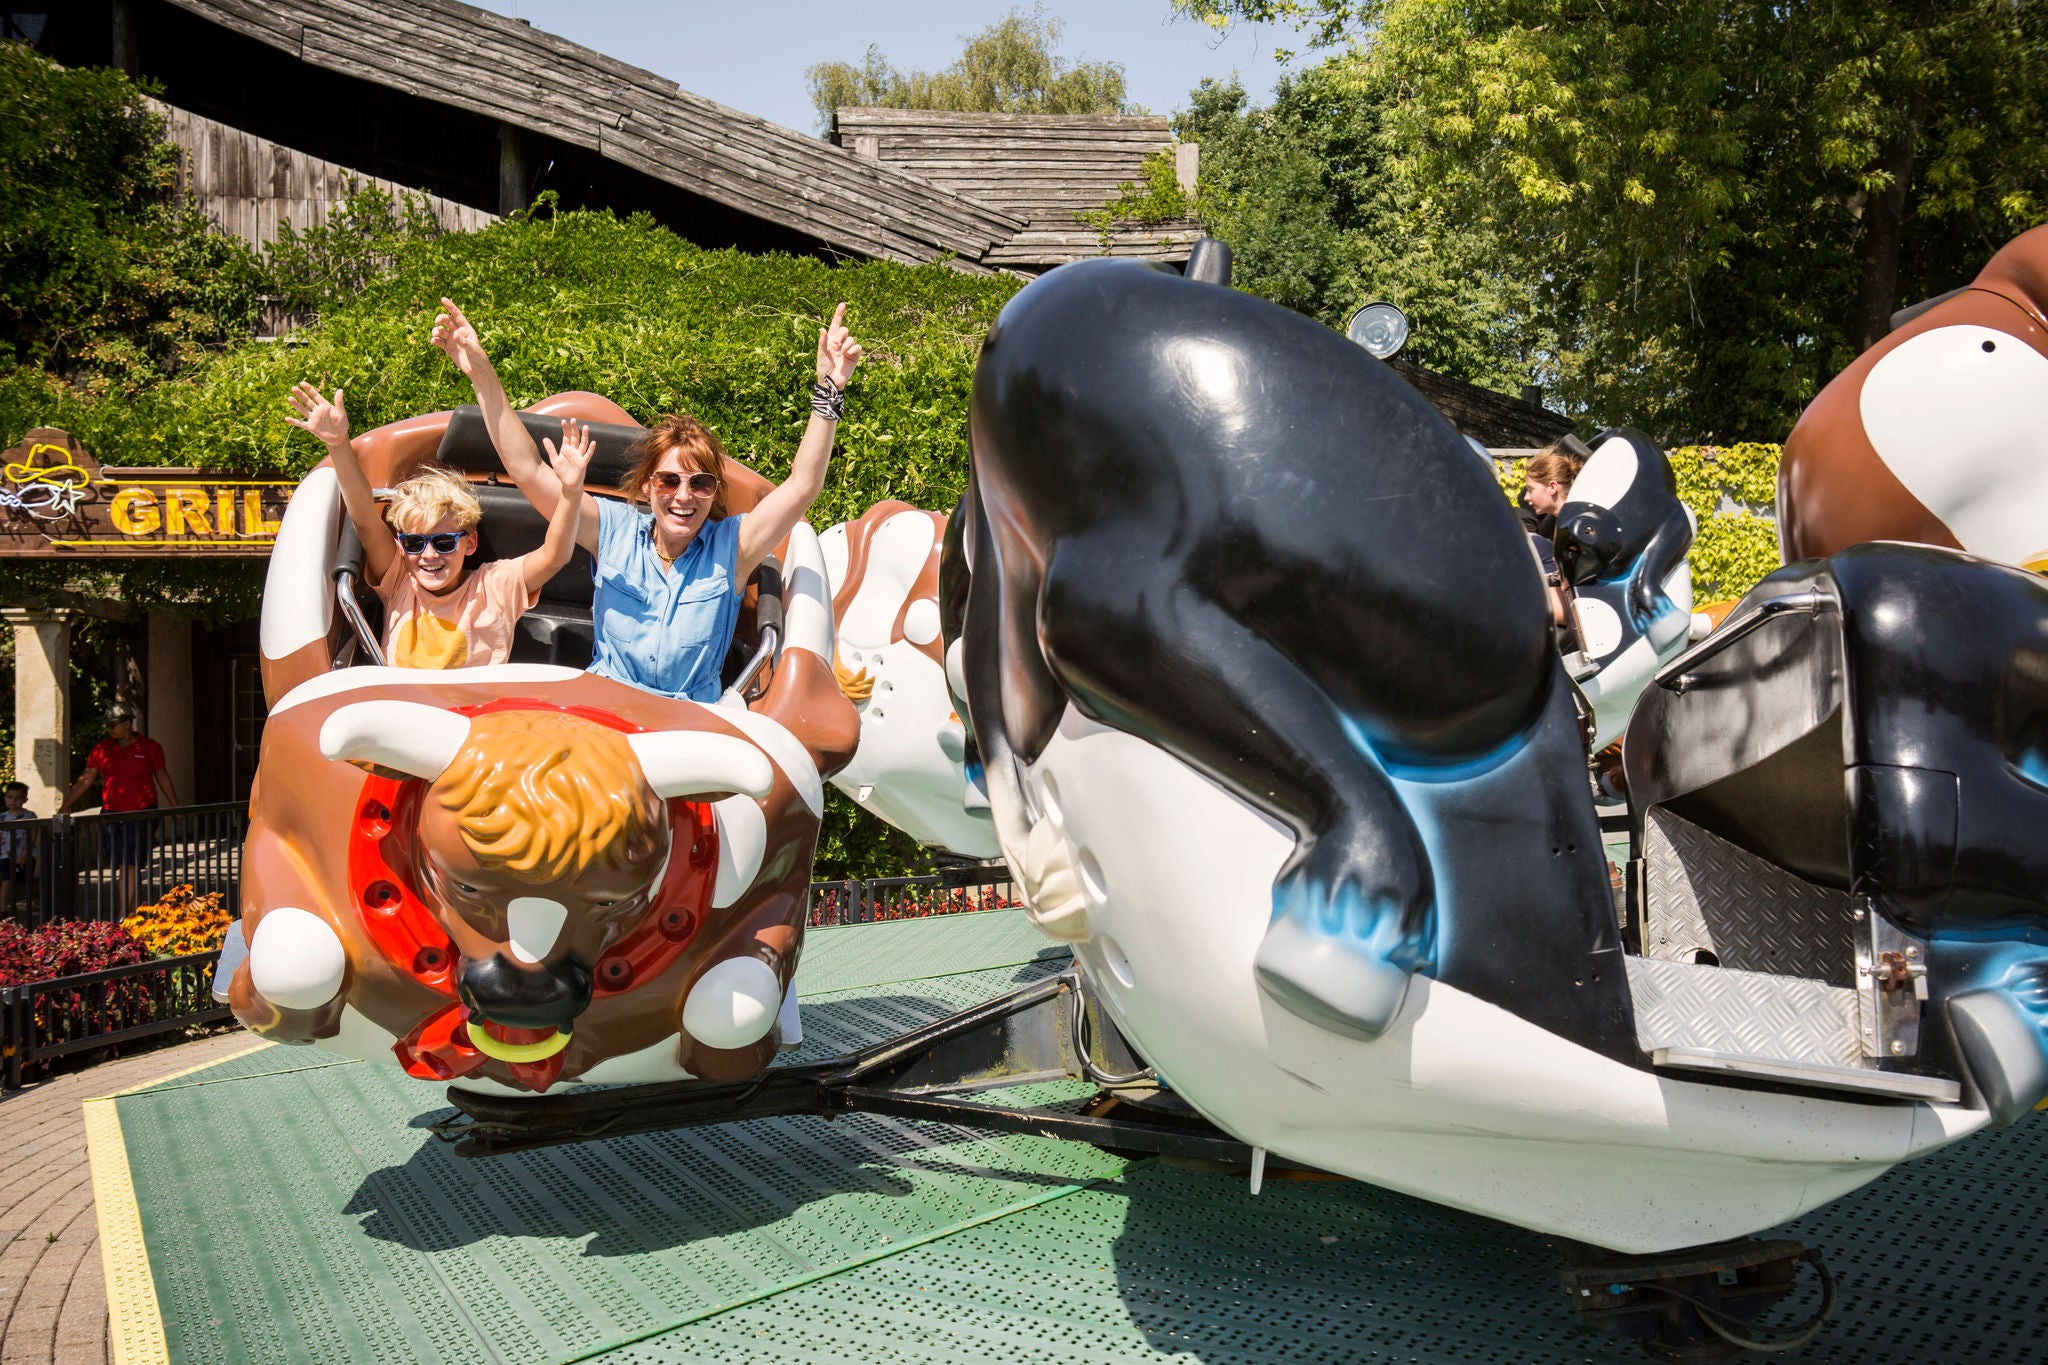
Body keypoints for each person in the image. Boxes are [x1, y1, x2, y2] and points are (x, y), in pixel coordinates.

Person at [429, 296, 864, 703]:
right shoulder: (613, 530)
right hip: (608, 709)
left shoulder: (733, 547)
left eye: (701, 484)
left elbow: (803, 485)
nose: (683, 497)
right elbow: (526, 469)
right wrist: (481, 373)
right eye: (669, 481)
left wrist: (830, 389)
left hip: (688, 721)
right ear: (646, 486)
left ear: (713, 493)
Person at [285, 383, 593, 669]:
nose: (429, 555)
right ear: (402, 546)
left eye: (444, 542)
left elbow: (555, 555)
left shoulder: (494, 587)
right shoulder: (400, 583)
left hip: (474, 714)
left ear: (469, 543)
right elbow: (364, 519)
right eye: (415, 544)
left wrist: (571, 491)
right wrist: (338, 444)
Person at [60, 702, 177, 915]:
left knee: (129, 864)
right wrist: (65, 805)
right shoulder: (102, 749)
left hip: (142, 812)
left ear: (126, 724)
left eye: (112, 725)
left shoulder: (150, 747)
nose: (108, 729)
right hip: (112, 814)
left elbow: (162, 776)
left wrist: (175, 807)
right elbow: (86, 779)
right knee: (122, 864)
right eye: (106, 725)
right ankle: (131, 912)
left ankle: (125, 913)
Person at [0, 781, 35, 922]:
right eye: (10, 797)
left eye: (18, 798)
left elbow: (32, 836)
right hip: (5, 856)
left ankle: (29, 902)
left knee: (24, 883)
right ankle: (3, 911)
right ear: (5, 798)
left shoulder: (29, 816)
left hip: (23, 855)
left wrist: (25, 854)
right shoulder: (2, 817)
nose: (13, 801)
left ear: (25, 799)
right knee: (6, 881)